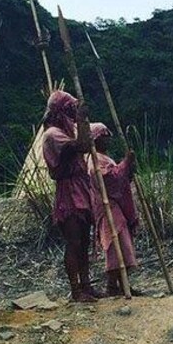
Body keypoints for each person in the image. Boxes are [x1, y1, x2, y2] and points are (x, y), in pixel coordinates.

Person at [41, 90, 99, 302]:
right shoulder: (53, 135)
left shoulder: (67, 131)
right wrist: (83, 120)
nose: (73, 114)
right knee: (74, 241)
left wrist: (82, 122)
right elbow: (82, 146)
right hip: (69, 193)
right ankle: (76, 291)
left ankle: (86, 285)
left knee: (84, 241)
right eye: (71, 110)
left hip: (80, 189)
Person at [87, 123, 140, 296]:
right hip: (107, 206)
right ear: (96, 139)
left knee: (122, 243)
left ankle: (121, 283)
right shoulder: (94, 160)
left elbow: (120, 178)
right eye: (104, 137)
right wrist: (125, 164)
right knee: (115, 243)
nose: (107, 140)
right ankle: (113, 285)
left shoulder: (104, 158)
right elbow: (110, 180)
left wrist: (128, 169)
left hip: (115, 206)